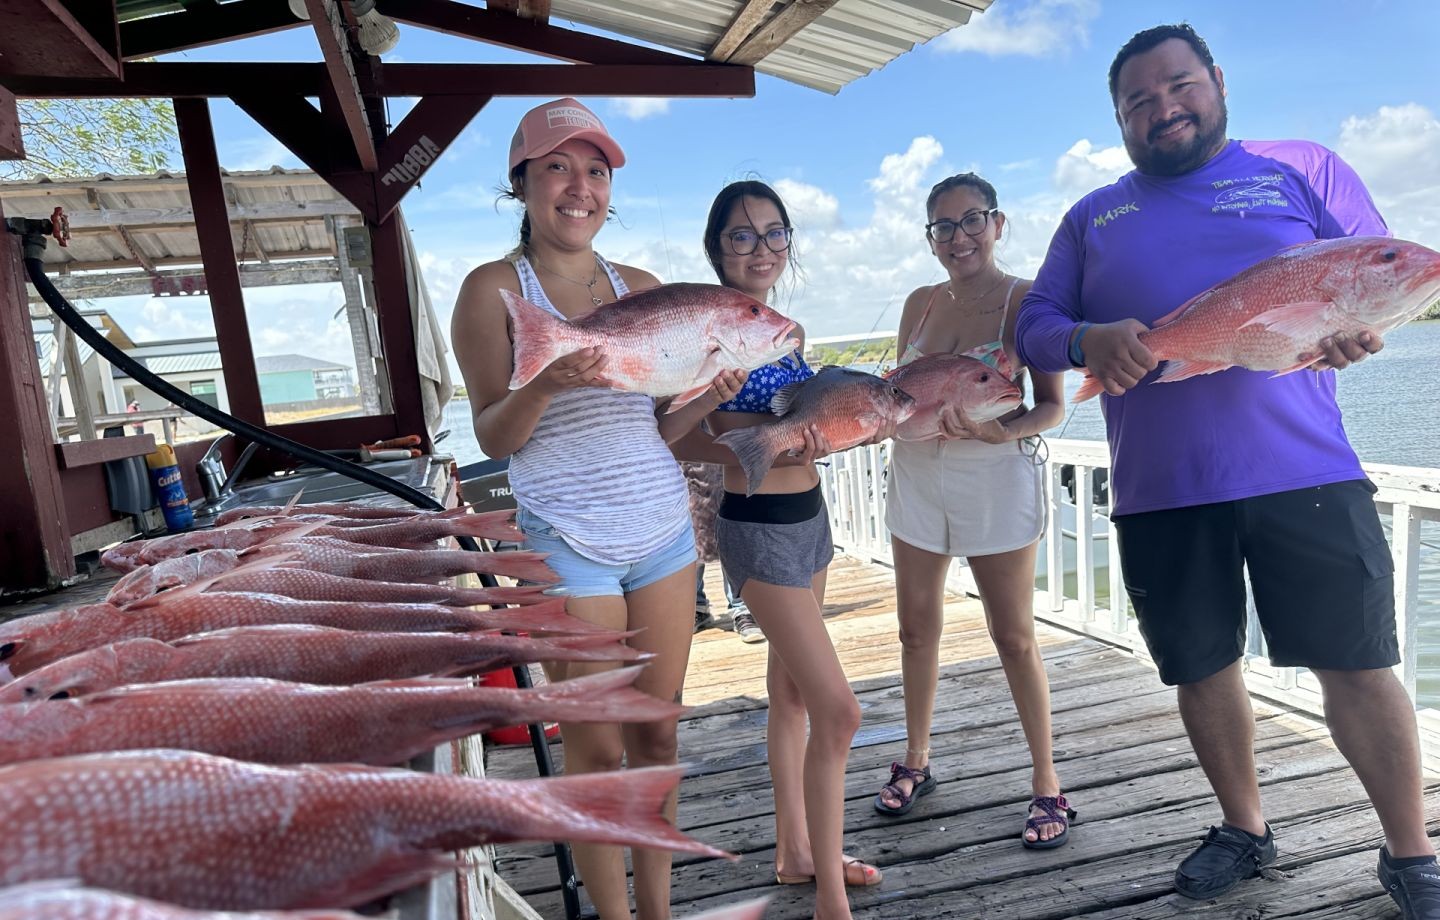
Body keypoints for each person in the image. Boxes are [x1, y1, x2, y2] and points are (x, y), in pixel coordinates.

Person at [1015, 24, 1440, 916]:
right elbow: (1036, 323)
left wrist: (1362, 333)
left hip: (1305, 471)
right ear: (1120, 120)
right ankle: (1244, 828)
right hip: (1161, 489)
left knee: (1359, 665)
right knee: (1201, 667)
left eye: (1178, 85)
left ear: (1215, 81)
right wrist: (1089, 339)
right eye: (1139, 100)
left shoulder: (1304, 168)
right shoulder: (1092, 214)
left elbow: (1380, 273)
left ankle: (1411, 853)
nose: (1163, 107)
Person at [449, 97, 743, 920]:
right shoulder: (493, 291)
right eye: (557, 168)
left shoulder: (643, 289)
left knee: (657, 733)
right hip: (567, 537)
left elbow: (662, 426)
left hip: (658, 530)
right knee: (598, 741)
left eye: (596, 170)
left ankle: (659, 910)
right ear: (522, 182)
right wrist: (544, 382)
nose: (579, 187)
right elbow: (495, 434)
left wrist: (706, 395)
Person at [674, 180, 887, 920]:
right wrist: (756, 449)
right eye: (741, 235)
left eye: (774, 233)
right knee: (840, 713)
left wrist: (824, 440)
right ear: (716, 249)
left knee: (793, 694)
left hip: (812, 522)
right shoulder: (707, 337)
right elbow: (673, 437)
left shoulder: (787, 335)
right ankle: (831, 897)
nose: (760, 248)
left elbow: (808, 428)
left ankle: (797, 852)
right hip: (757, 530)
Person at [875, 173, 1072, 848]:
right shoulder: (918, 304)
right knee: (914, 629)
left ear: (998, 223)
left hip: (992, 475)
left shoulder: (1027, 301)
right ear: (931, 241)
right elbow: (894, 390)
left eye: (972, 221)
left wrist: (1000, 431)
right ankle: (918, 757)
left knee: (1013, 635)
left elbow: (1051, 403)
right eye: (944, 227)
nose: (960, 237)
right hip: (916, 479)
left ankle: (1047, 782)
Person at [685, 459, 762, 641]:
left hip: (723, 463)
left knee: (732, 536)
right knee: (691, 537)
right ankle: (695, 607)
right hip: (685, 464)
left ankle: (742, 607)